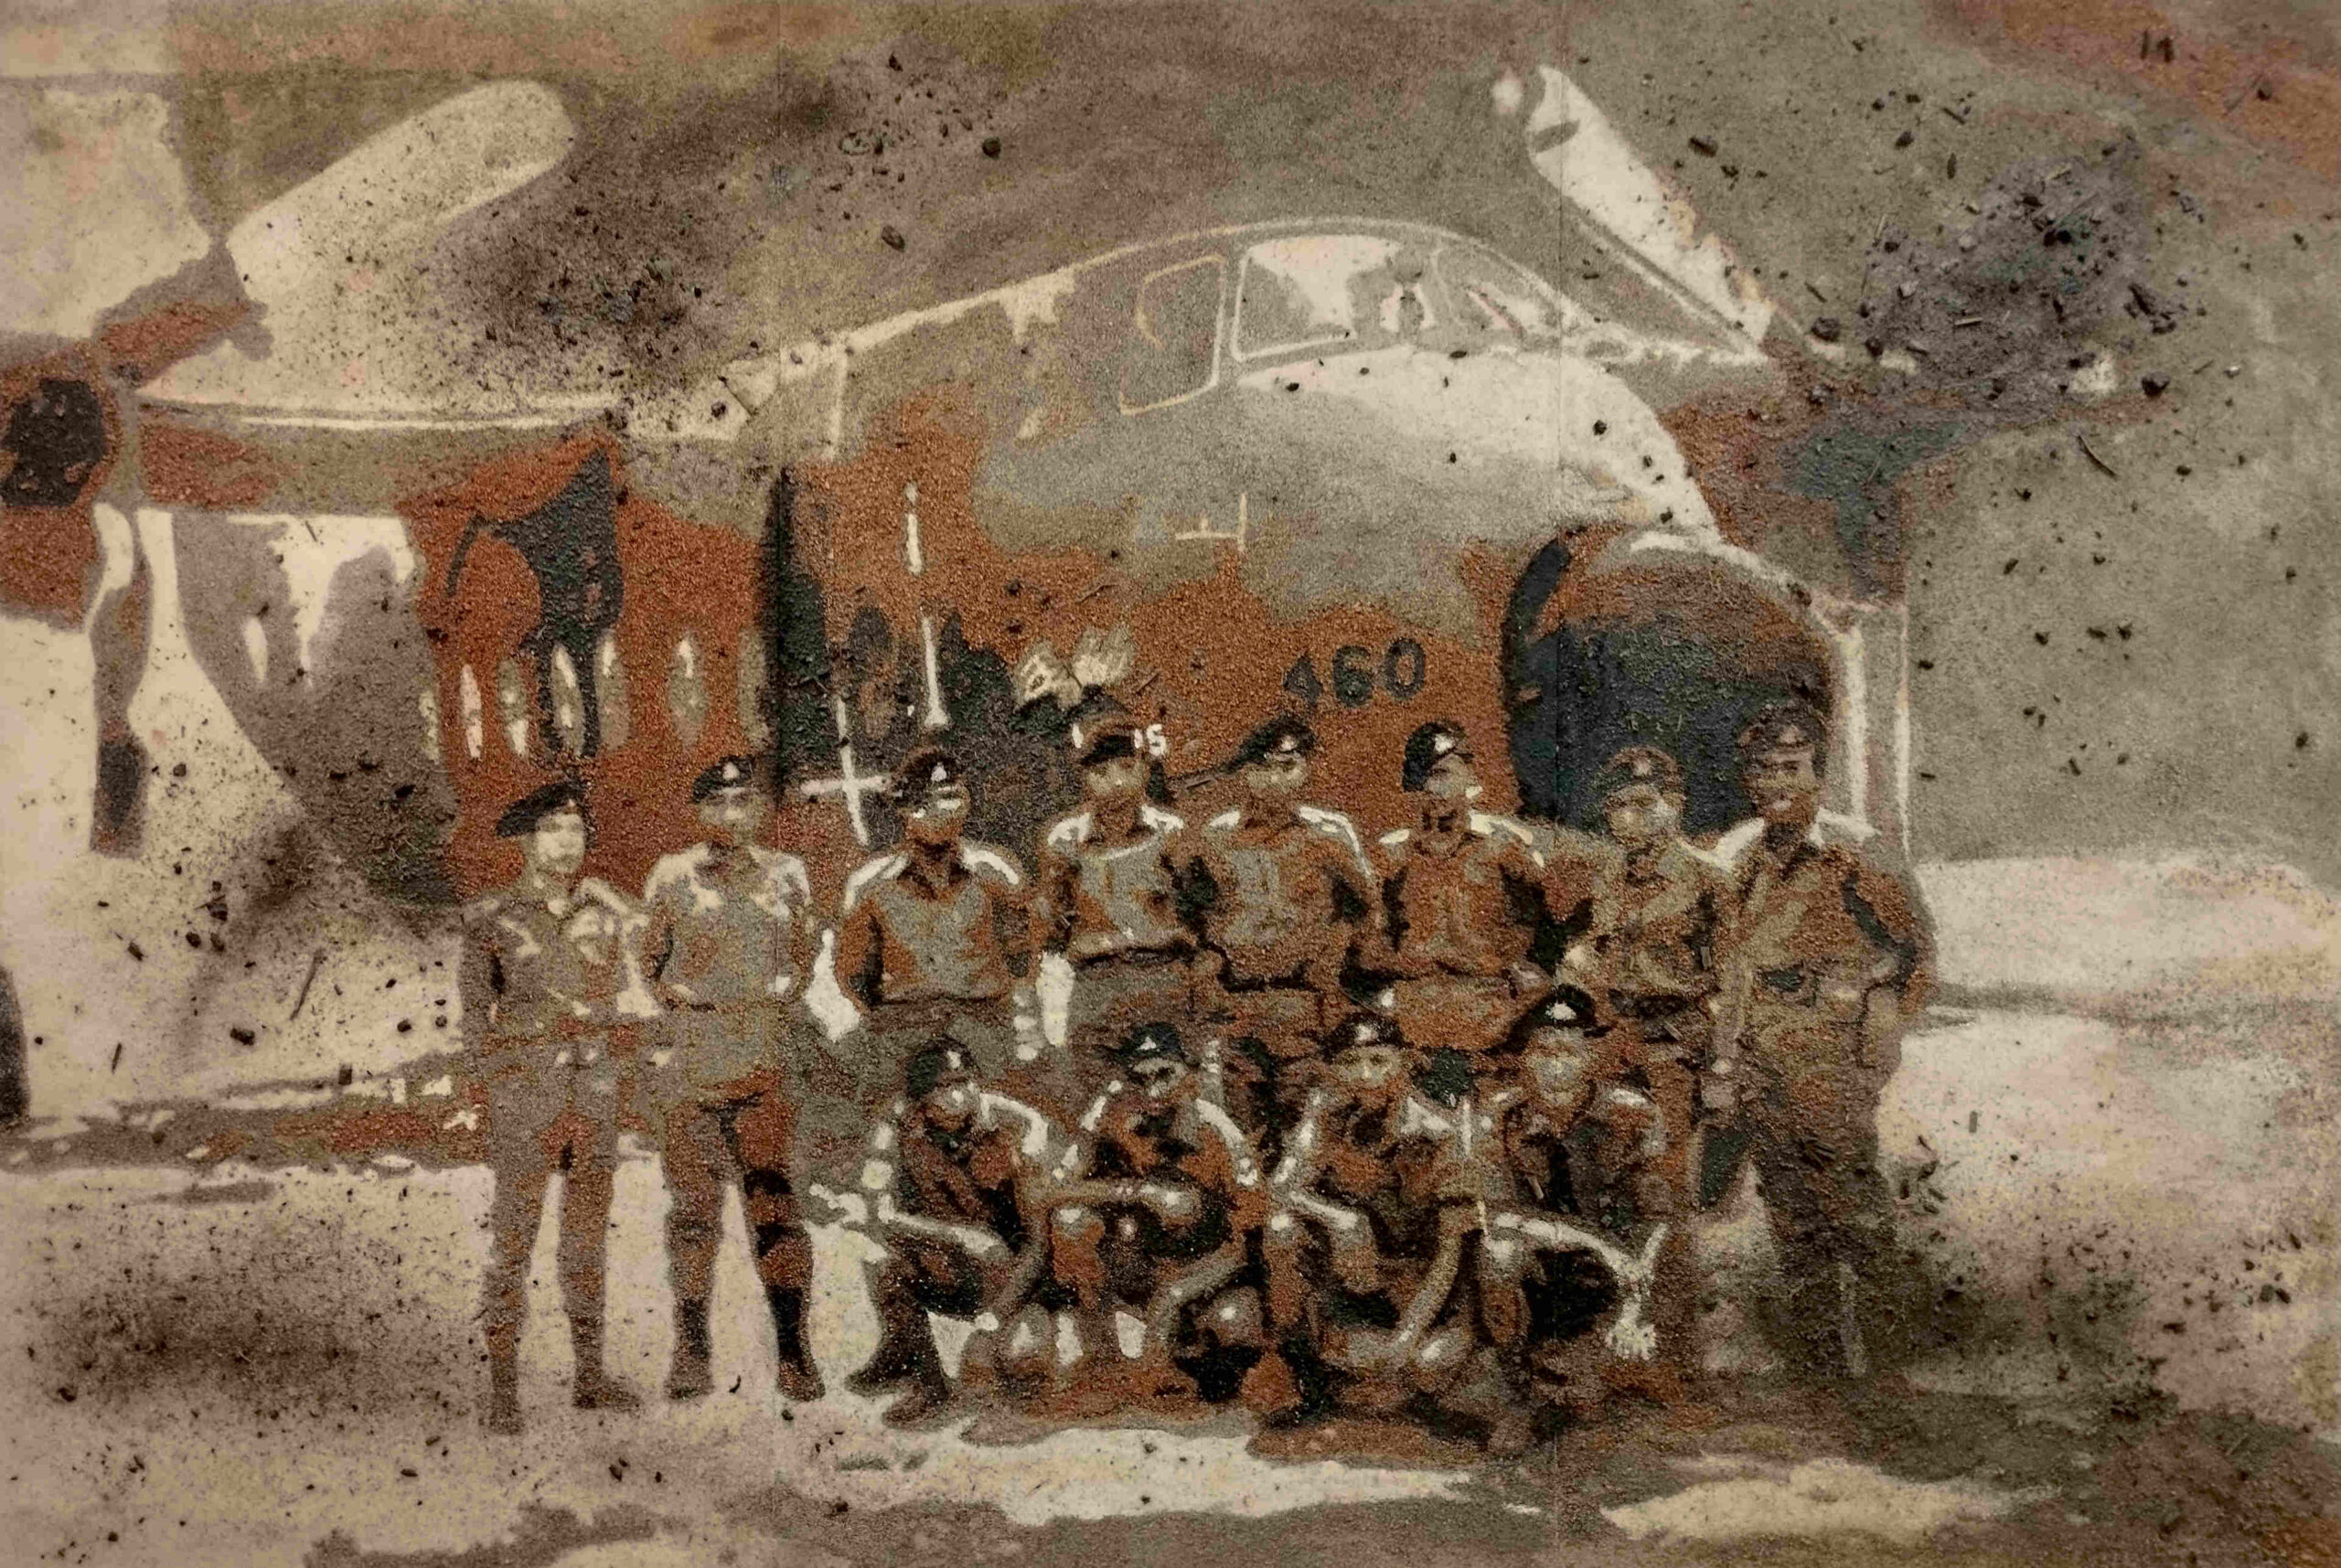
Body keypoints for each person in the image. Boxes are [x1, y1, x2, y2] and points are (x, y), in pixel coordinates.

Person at [1705, 699, 1936, 1381]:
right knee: (1791, 1215)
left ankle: (1890, 1370)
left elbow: (1915, 956)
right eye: (1763, 769)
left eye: (1791, 767)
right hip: (1762, 1060)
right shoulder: (1740, 858)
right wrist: (1726, 1061)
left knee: (1854, 1211)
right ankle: (1821, 1373)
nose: (1776, 782)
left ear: (1818, 775)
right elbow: (1731, 967)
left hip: (1829, 1061)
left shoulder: (1857, 854)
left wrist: (1876, 1036)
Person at [459, 780, 647, 1433]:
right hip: (526, 1098)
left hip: (592, 1095)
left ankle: (590, 1377)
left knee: (586, 1238)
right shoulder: (493, 919)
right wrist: (496, 1090)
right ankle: (503, 1391)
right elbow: (474, 1024)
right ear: (527, 841)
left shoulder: (605, 913)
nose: (567, 842)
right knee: (513, 1241)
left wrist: (618, 904)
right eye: (552, 830)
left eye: (575, 830)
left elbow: (635, 989)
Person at [638, 754, 822, 1403]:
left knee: (776, 1209)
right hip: (693, 1075)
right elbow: (649, 964)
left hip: (764, 1068)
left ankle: (794, 1350)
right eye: (717, 803)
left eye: (743, 801)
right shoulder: (672, 876)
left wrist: (773, 993)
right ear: (698, 812)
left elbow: (804, 957)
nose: (731, 814)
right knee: (693, 1214)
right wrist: (689, 1000)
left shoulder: (787, 874)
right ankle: (692, 1349)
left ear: (759, 809)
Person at [1552, 743, 1732, 1370]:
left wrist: (1721, 1064)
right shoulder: (1606, 878)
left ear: (1675, 805)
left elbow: (1733, 983)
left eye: (1646, 803)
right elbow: (1592, 950)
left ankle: (1674, 1349)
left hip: (1674, 1044)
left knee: (1665, 1191)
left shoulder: (1708, 881)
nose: (1632, 816)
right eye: (1620, 806)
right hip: (1614, 1041)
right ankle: (1610, 1337)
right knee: (1599, 1179)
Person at [1046, 1022, 1272, 1408]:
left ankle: (1175, 1353)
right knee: (1071, 1222)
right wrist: (1137, 1189)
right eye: (1139, 1079)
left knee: (1234, 1329)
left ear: (1189, 1073)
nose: (1152, 1091)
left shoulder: (1216, 1130)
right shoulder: (1117, 1118)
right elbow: (1051, 1190)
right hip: (1142, 1268)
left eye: (1165, 1075)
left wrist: (1177, 1293)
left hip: (1207, 1274)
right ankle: (1106, 1357)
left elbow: (1246, 1237)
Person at [845, 1040, 1068, 1425]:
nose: (961, 1093)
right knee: (879, 1261)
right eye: (946, 1085)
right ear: (923, 1096)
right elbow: (878, 1212)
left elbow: (1038, 1130)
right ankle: (927, 1384)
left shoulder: (1004, 1120)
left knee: (1021, 1360)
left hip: (1013, 1273)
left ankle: (980, 1343)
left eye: (965, 1080)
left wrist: (1032, 1153)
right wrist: (957, 1236)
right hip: (952, 1259)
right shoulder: (898, 1125)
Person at [832, 746, 1041, 1150]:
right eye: (922, 803)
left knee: (999, 1133)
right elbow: (854, 973)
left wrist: (1014, 1019)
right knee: (888, 1135)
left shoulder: (996, 872)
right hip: (902, 1028)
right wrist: (897, 1014)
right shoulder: (870, 885)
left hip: (983, 1024)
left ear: (967, 801)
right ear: (903, 810)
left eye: (950, 796)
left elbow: (1022, 953)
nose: (938, 812)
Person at [1481, 990, 1675, 1412]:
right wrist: (1595, 1242)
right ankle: (1515, 1385)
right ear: (1523, 1057)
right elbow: (1496, 1216)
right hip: (1541, 1264)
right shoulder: (1497, 1115)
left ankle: (1594, 1363)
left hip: (1618, 1271)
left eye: (1569, 1051)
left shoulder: (1633, 1112)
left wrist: (1634, 1302)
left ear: (1591, 1055)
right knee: (1498, 1252)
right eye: (1543, 1052)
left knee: (1600, 1389)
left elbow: (1658, 1215)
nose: (1556, 1065)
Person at [1184, 715, 1376, 1139]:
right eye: (1262, 768)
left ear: (1306, 769)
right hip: (1236, 1007)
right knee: (1236, 1134)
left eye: (1287, 767)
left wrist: (1333, 963)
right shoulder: (1216, 837)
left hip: (1304, 1005)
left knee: (1308, 1130)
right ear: (1244, 773)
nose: (1274, 781)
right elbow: (1197, 922)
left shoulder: (1330, 833)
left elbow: (1367, 912)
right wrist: (1210, 984)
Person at [1366, 721, 1560, 1071]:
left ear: (1469, 775)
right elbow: (1368, 950)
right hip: (1413, 1018)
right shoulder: (1392, 856)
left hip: (1493, 1018)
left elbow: (1553, 921)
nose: (1433, 789)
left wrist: (1514, 979)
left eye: (1443, 774)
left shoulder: (1503, 849)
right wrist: (1410, 965)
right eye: (1423, 778)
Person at [1034, 710, 1200, 1105]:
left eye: (1127, 767)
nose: (1117, 783)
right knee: (1098, 1099)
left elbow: (1198, 914)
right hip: (1097, 985)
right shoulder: (1064, 841)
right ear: (1084, 777)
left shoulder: (1172, 833)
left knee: (1177, 1094)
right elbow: (1051, 926)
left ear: (1145, 768)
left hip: (1162, 977)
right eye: (1101, 772)